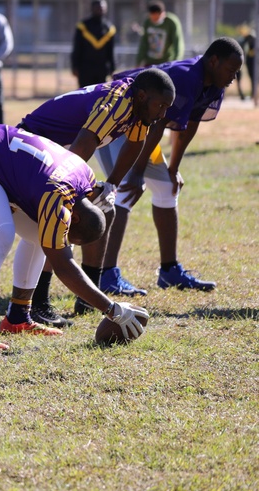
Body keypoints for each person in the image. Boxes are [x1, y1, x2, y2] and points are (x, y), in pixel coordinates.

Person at [0, 124, 148, 351]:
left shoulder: (86, 177)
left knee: (41, 236)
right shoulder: (57, 195)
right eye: (70, 234)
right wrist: (112, 309)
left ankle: (17, 316)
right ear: (74, 218)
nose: (66, 238)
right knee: (0, 234)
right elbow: (64, 266)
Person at [15, 69, 177, 326]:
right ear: (143, 95)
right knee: (57, 215)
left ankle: (88, 294)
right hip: (32, 146)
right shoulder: (118, 102)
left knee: (105, 209)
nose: (162, 114)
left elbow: (135, 144)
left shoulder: (138, 108)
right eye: (160, 105)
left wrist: (111, 184)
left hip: (58, 153)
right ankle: (39, 302)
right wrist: (68, 189)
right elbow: (85, 141)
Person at [91, 37, 244, 296]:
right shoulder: (187, 77)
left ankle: (169, 270)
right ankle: (105, 274)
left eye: (236, 72)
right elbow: (157, 124)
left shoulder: (214, 82)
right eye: (231, 70)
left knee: (166, 186)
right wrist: (137, 172)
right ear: (214, 61)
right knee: (125, 190)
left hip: (142, 128)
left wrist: (173, 169)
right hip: (115, 119)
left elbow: (190, 123)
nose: (233, 77)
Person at [71, 0, 116, 87]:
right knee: (84, 96)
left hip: (102, 68)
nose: (100, 9)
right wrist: (74, 66)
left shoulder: (109, 28)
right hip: (85, 68)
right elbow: (77, 48)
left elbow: (110, 51)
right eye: (97, 7)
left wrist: (112, 68)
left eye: (102, 7)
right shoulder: (83, 27)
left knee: (100, 96)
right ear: (92, 8)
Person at [137, 0, 184, 67]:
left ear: (162, 13)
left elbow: (178, 43)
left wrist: (176, 62)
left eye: (156, 17)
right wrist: (138, 62)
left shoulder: (171, 22)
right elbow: (143, 43)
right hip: (150, 62)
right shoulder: (147, 22)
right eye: (151, 16)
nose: (153, 19)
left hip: (166, 62)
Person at [234, 25, 255, 101]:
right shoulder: (241, 39)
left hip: (248, 60)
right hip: (238, 59)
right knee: (236, 76)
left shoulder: (251, 38)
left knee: (252, 77)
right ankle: (243, 94)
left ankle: (252, 94)